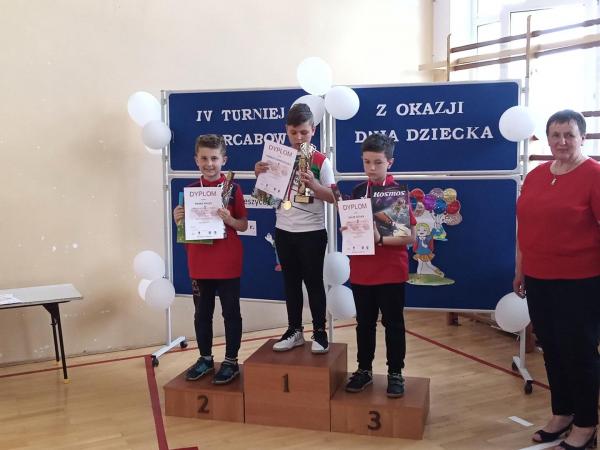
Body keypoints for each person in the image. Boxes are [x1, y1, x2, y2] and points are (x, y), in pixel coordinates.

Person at [513, 110, 600, 449]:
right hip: (539, 278)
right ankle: (562, 413)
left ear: (583, 138)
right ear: (547, 139)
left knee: (579, 353)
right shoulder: (537, 175)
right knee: (551, 349)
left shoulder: (594, 175)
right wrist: (520, 269)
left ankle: (586, 424)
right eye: (555, 135)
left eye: (569, 135)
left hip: (580, 282)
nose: (562, 141)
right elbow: (525, 227)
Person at [254, 103, 335, 353]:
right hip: (283, 230)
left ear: (313, 130)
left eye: (304, 132)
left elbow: (334, 197)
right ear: (286, 131)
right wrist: (260, 176)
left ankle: (319, 332)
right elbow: (265, 198)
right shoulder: (278, 158)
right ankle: (294, 330)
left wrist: (315, 187)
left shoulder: (321, 161)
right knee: (290, 283)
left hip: (311, 232)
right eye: (293, 132)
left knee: (313, 283)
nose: (299, 138)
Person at [343, 133, 416, 398]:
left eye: (378, 162)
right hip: (362, 271)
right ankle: (364, 370)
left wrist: (380, 239)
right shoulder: (358, 192)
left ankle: (395, 373)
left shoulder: (396, 194)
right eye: (366, 162)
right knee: (364, 324)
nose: (371, 168)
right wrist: (349, 230)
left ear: (390, 163)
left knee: (393, 324)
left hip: (391, 271)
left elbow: (409, 237)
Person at [174, 134, 248, 384]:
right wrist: (179, 219)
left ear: (223, 160)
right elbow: (184, 232)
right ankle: (205, 359)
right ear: (196, 160)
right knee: (202, 314)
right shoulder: (190, 192)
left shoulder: (233, 189)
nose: (209, 163)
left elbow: (243, 225)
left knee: (231, 313)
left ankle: (231, 361)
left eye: (214, 158)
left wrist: (229, 219)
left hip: (227, 263)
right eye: (204, 158)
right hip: (199, 263)